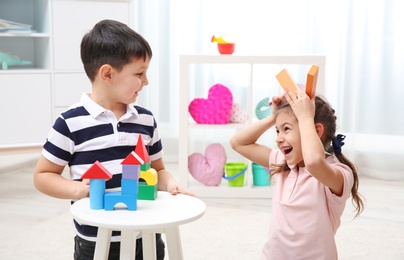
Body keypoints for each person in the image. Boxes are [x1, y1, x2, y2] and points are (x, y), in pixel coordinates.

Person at [33, 19, 193, 260]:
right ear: (107, 73)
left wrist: (170, 184)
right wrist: (77, 190)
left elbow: (157, 170)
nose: (146, 81)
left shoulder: (146, 120)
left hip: (146, 233)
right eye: (140, 73)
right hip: (97, 239)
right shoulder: (69, 123)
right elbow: (43, 176)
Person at [230, 88, 364, 259]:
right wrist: (273, 118)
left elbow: (314, 162)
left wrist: (305, 117)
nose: (278, 138)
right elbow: (238, 143)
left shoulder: (339, 173)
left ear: (315, 131)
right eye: (277, 131)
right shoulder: (283, 163)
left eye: (286, 129)